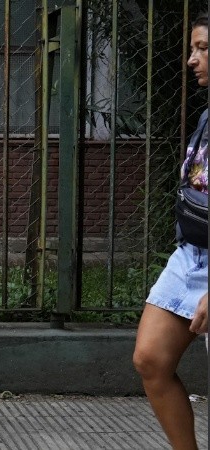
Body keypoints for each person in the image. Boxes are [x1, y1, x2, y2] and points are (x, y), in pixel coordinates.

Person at [132, 14, 210, 450]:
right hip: (192, 253)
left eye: (202, 48)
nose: (190, 60)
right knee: (151, 359)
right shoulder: (206, 114)